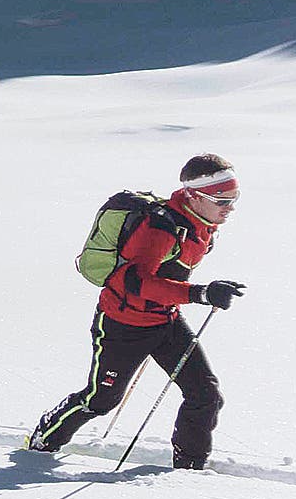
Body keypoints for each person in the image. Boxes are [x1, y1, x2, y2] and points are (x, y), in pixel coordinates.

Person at [26, 154, 247, 468]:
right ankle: (44, 440)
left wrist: (196, 293)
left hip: (166, 320)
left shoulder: (202, 225)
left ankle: (189, 470)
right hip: (122, 325)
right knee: (101, 400)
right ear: (194, 196)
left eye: (234, 198)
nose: (230, 207)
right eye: (222, 200)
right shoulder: (161, 228)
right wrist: (200, 293)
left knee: (205, 394)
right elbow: (134, 281)